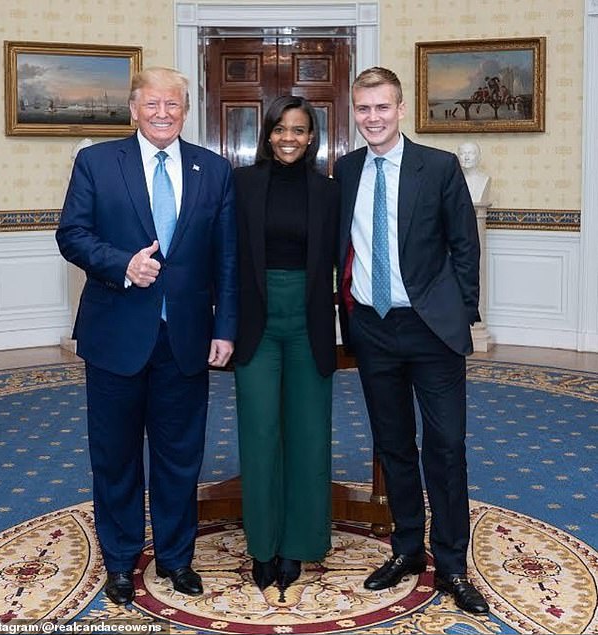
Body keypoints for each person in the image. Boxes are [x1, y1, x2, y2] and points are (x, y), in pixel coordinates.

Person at [56, 67, 237, 605]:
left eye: (173, 105)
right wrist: (121, 265)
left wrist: (224, 327)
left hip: (186, 338)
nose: (163, 113)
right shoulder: (96, 161)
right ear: (133, 108)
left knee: (180, 455)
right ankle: (119, 559)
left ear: (186, 110)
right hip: (115, 335)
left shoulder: (214, 169)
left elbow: (227, 258)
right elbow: (72, 233)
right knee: (115, 456)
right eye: (152, 104)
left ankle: (177, 558)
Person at [333, 67, 489, 615]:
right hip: (373, 330)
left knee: (446, 447)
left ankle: (451, 563)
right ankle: (406, 549)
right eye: (363, 108)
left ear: (400, 110)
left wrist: (460, 313)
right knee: (394, 445)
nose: (372, 117)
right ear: (355, 112)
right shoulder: (346, 170)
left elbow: (464, 247)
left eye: (382, 107)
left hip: (432, 331)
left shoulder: (439, 168)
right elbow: (339, 249)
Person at [233, 95, 339, 592]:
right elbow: (226, 259)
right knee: (259, 436)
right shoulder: (242, 184)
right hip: (257, 323)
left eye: (298, 130)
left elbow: (346, 261)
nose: (289, 139)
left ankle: (299, 544)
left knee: (308, 436)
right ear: (268, 134)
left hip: (310, 322)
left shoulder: (329, 191)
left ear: (312, 136)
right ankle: (262, 546)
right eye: (280, 129)